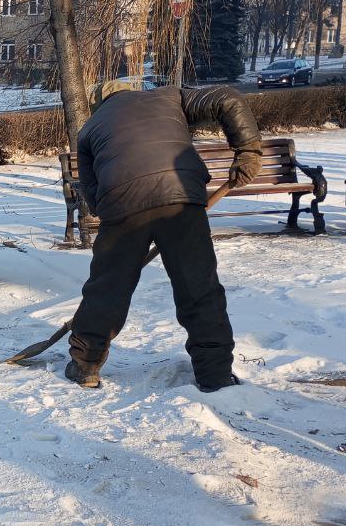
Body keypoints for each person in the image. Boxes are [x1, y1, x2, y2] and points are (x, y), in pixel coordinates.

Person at [65, 81, 262, 392]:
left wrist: (123, 225)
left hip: (122, 203)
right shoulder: (170, 97)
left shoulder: (89, 130)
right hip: (182, 196)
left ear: (98, 105)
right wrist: (248, 151)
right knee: (199, 287)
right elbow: (228, 97)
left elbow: (91, 193)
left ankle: (84, 365)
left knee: (107, 289)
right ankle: (215, 374)